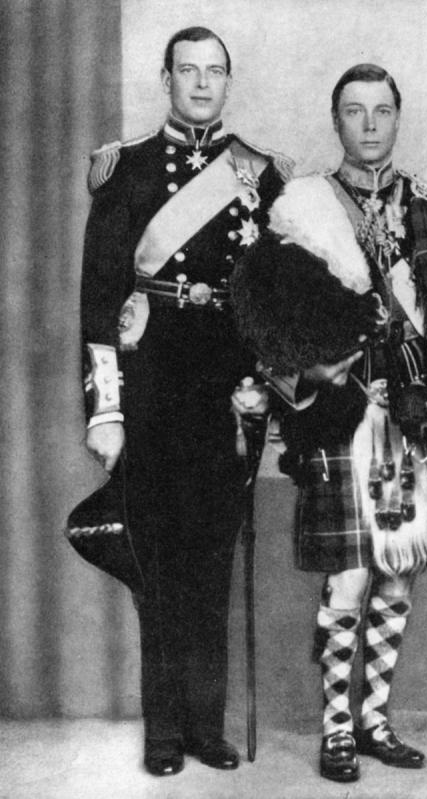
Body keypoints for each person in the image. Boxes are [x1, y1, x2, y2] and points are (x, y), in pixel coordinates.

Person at [243, 63, 427, 784]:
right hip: (341, 414)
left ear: (398, 117)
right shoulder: (304, 204)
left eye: (381, 111)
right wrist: (310, 374)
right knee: (348, 579)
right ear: (335, 120)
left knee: (398, 577)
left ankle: (374, 718)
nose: (369, 125)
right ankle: (336, 725)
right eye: (354, 112)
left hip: (412, 411)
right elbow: (266, 316)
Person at [80, 26, 291, 776]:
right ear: (165, 77)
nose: (202, 84)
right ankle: (163, 730)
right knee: (159, 561)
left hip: (228, 386)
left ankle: (206, 724)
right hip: (152, 382)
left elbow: (273, 294)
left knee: (213, 560)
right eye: (188, 71)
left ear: (228, 82)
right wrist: (104, 411)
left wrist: (266, 379)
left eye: (215, 72)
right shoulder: (128, 170)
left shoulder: (261, 175)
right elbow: (100, 300)